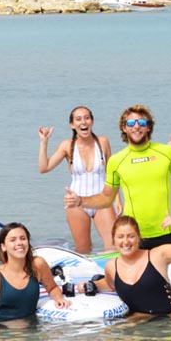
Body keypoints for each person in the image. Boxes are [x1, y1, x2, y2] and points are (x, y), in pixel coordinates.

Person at [64, 105, 171, 249]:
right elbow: (106, 198)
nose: (137, 127)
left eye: (142, 123)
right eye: (131, 123)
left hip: (164, 232)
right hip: (134, 236)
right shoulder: (116, 161)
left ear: (148, 127)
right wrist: (81, 201)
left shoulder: (166, 153)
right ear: (124, 128)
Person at [38, 106, 116, 253]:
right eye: (78, 119)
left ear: (92, 122)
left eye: (87, 118)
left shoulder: (103, 142)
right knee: (83, 249)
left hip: (103, 200)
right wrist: (44, 142)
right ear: (72, 125)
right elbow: (44, 168)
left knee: (113, 246)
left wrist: (117, 200)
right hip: (76, 203)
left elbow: (113, 175)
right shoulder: (67, 145)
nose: (83, 122)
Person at [100, 214, 171, 316]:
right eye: (120, 237)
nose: (126, 241)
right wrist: (91, 285)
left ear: (138, 238)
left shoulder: (157, 256)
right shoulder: (111, 266)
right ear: (113, 239)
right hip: (142, 320)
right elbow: (110, 285)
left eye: (131, 236)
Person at [0, 222, 70, 323]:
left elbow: (52, 288)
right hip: (1, 332)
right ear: (3, 247)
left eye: (23, 238)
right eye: (13, 240)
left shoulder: (38, 265)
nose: (19, 243)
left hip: (31, 330)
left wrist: (59, 298)